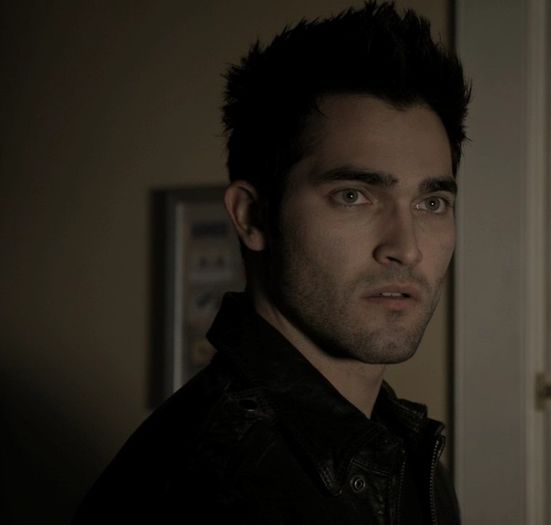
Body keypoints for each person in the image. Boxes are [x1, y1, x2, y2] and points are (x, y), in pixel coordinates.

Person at [73, 2, 470, 523]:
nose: (407, 247)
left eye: (432, 203)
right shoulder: (209, 486)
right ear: (252, 216)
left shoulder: (405, 451)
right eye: (353, 196)